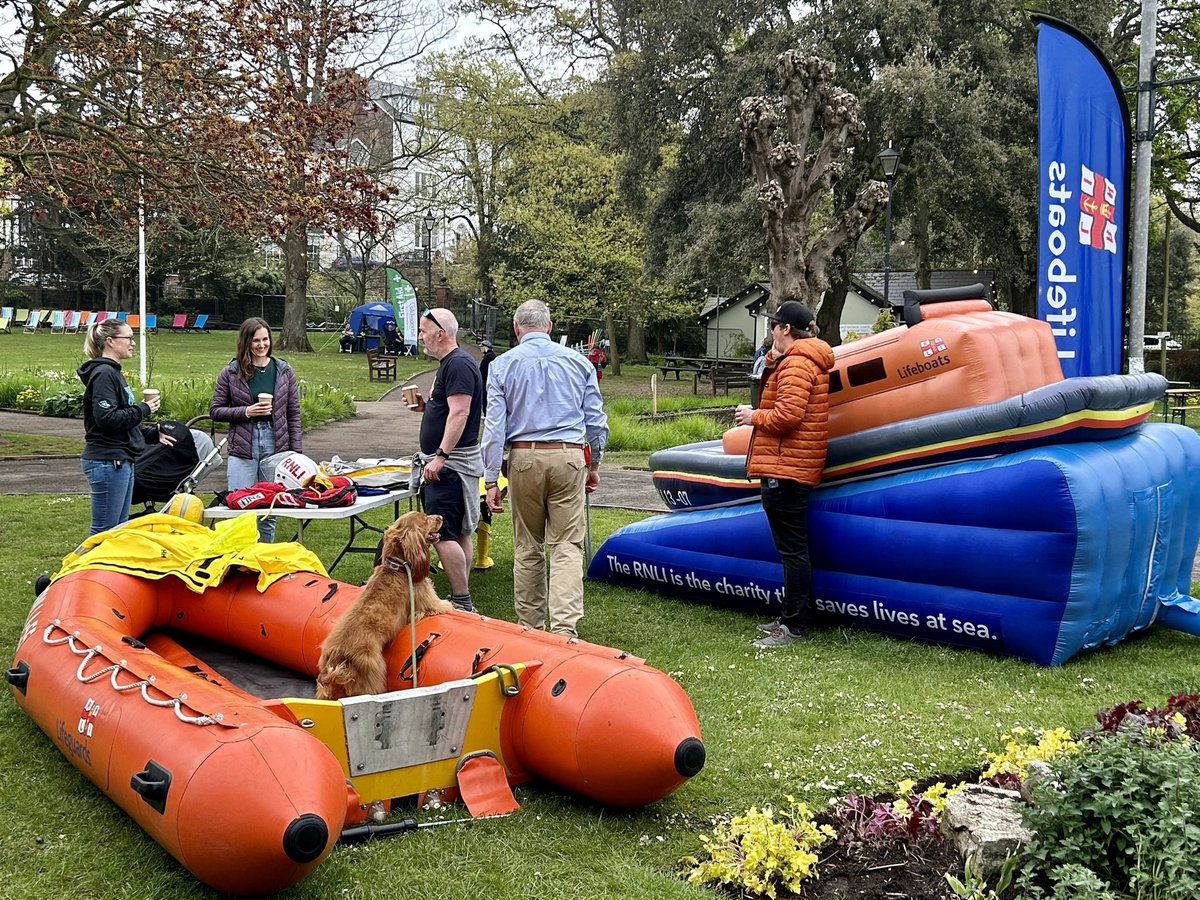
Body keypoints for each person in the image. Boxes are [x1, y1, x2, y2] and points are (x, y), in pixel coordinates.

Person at [481, 299, 609, 638]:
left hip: (524, 458)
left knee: (528, 545)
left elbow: (494, 428)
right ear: (549, 327)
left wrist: (491, 478)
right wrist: (593, 464)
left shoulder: (501, 365)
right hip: (569, 457)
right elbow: (595, 422)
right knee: (567, 545)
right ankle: (565, 629)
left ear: (516, 328)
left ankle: (531, 627)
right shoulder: (578, 362)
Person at [734, 300, 834, 648]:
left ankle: (793, 626)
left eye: (773, 326)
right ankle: (792, 616)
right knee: (792, 549)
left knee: (792, 551)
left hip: (785, 467)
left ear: (785, 329)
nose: (770, 332)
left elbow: (787, 416)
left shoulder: (797, 366)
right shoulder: (799, 362)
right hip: (791, 465)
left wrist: (753, 417)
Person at [412, 307, 484, 611]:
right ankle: (461, 595)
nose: (420, 337)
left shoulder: (458, 365)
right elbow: (449, 409)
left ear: (440, 334)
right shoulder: (450, 364)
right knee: (458, 532)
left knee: (440, 534)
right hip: (450, 465)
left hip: (449, 467)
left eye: (423, 331)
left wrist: (440, 456)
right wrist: (427, 408)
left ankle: (462, 601)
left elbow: (461, 413)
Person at [77, 319, 175, 535]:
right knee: (104, 531)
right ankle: (85, 569)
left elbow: (121, 420)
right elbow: (107, 418)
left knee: (118, 529)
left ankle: (105, 569)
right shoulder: (104, 373)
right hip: (108, 461)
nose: (133, 343)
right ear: (110, 341)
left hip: (120, 460)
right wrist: (143, 409)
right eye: (128, 338)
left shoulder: (113, 373)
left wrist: (151, 434)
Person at [210, 317, 303, 542]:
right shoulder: (231, 372)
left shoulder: (283, 371)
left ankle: (264, 556)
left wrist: (296, 452)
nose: (262, 345)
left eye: (265, 339)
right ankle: (240, 562)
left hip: (275, 443)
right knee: (239, 506)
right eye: (256, 341)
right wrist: (246, 412)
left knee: (268, 509)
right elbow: (216, 410)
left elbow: (293, 414)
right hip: (244, 446)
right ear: (246, 343)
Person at [478, 340, 497, 412]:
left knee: (485, 400)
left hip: (486, 382)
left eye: (481, 347)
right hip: (489, 381)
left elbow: (483, 370)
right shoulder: (491, 356)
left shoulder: (488, 357)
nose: (481, 349)